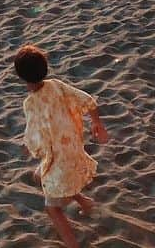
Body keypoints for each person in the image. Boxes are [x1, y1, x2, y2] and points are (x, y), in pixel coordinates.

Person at [15, 44, 109, 248]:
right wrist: (96, 122)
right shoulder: (56, 85)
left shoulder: (30, 103)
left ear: (21, 77)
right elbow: (87, 100)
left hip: (58, 159)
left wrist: (30, 148)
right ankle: (85, 202)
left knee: (53, 208)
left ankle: (72, 244)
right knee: (42, 176)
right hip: (73, 151)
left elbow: (34, 134)